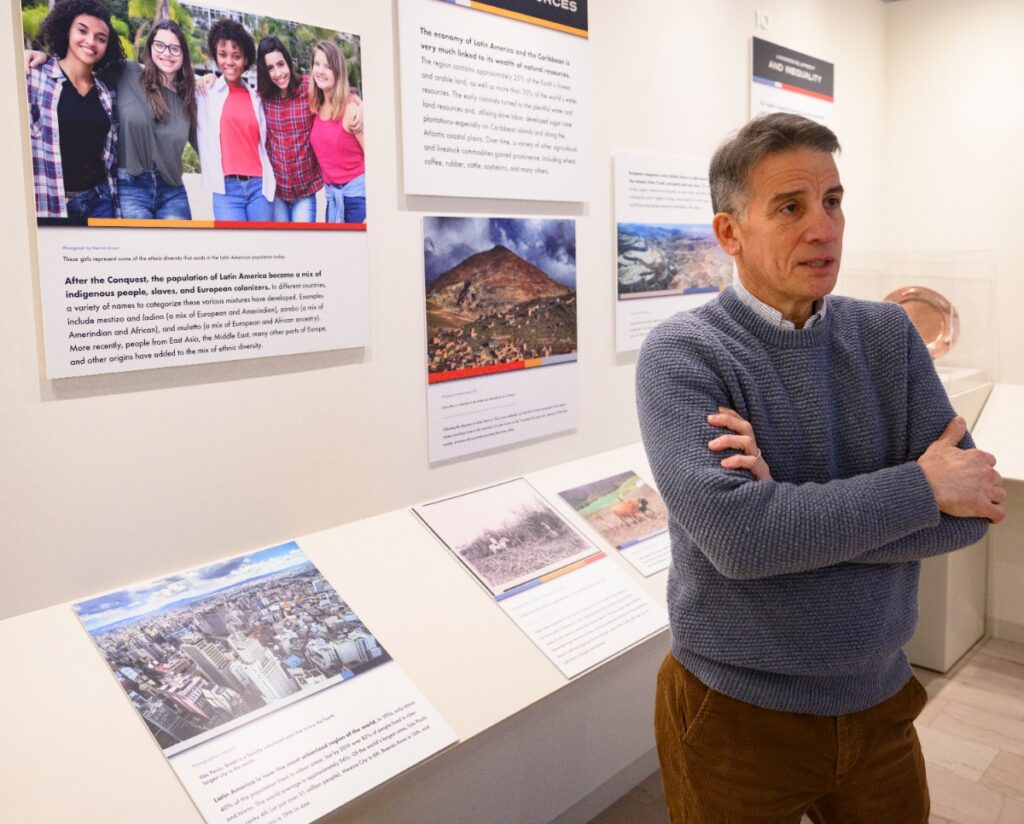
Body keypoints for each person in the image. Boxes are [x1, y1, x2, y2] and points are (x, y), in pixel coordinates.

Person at [636, 113, 1006, 822]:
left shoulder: (889, 336)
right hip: (734, 715)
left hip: (880, 703)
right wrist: (922, 486)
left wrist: (791, 511)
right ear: (729, 234)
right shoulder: (685, 356)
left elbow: (974, 512)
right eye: (790, 207)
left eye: (832, 201)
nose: (823, 227)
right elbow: (742, 544)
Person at [26, 0, 124, 221]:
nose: (91, 42)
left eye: (101, 38)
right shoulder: (34, 78)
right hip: (51, 202)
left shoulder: (106, 93)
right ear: (66, 30)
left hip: (101, 201)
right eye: (82, 30)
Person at [195, 18, 275, 221]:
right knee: (232, 249)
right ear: (215, 56)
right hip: (226, 190)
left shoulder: (256, 98)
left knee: (261, 250)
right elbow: (171, 73)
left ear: (246, 60)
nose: (229, 62)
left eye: (236, 56)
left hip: (259, 187)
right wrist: (204, 78)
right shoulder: (207, 91)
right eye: (223, 55)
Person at [255, 36, 320, 223]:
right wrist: (210, 78)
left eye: (280, 64)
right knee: (281, 248)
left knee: (303, 247)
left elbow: (337, 94)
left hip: (305, 191)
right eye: (270, 68)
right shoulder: (262, 99)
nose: (278, 73)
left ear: (288, 62)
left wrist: (356, 102)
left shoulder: (309, 88)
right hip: (277, 192)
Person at [308, 40, 365, 224]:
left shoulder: (351, 109)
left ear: (338, 72)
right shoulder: (315, 107)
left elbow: (375, 161)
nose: (320, 71)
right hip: (332, 198)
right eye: (317, 64)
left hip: (357, 199)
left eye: (327, 66)